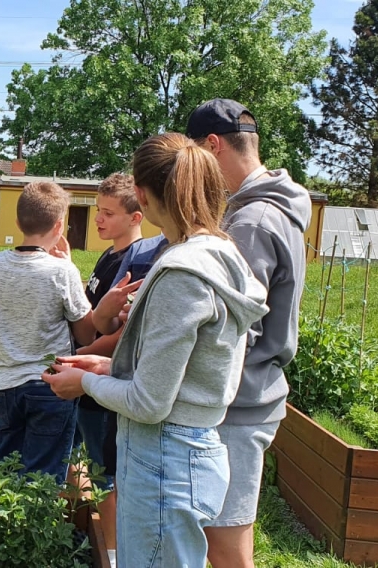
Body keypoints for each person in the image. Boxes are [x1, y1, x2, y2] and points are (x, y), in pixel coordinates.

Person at [43, 133, 268, 568]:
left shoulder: (181, 274)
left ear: (142, 196)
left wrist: (85, 382)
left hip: (165, 462)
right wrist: (111, 366)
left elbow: (149, 403)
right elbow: (183, 374)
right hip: (188, 454)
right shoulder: (220, 254)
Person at [186, 99, 313, 568]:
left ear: (213, 147)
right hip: (253, 394)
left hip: (240, 402)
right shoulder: (273, 211)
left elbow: (238, 330)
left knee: (226, 546)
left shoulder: (252, 222)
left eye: (194, 159)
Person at [0, 180, 95, 483]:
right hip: (50, 385)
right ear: (60, 226)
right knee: (43, 477)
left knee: (4, 471)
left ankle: (0, 529)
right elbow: (86, 334)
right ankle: (37, 526)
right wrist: (71, 269)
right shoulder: (62, 271)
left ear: (17, 222)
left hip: (5, 384)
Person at [72, 172, 143, 552]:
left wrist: (79, 357)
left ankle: (113, 553)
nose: (98, 219)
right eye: (98, 211)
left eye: (108, 213)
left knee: (104, 473)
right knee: (86, 460)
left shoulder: (138, 262)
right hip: (85, 375)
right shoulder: (107, 255)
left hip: (103, 381)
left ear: (136, 216)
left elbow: (124, 335)